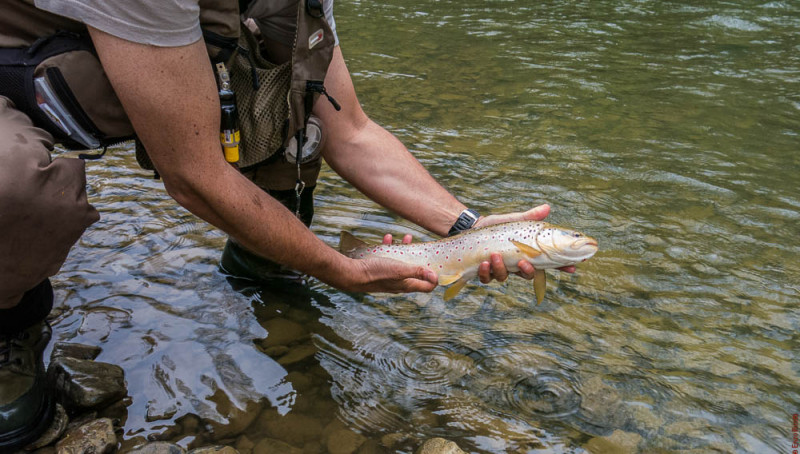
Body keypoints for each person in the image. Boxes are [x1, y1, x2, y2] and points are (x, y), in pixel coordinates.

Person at [0, 0, 575, 449]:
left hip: (123, 63)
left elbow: (352, 133)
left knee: (291, 80)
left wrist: (466, 227)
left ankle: (263, 268)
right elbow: (193, 176)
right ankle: (11, 322)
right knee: (17, 190)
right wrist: (341, 270)